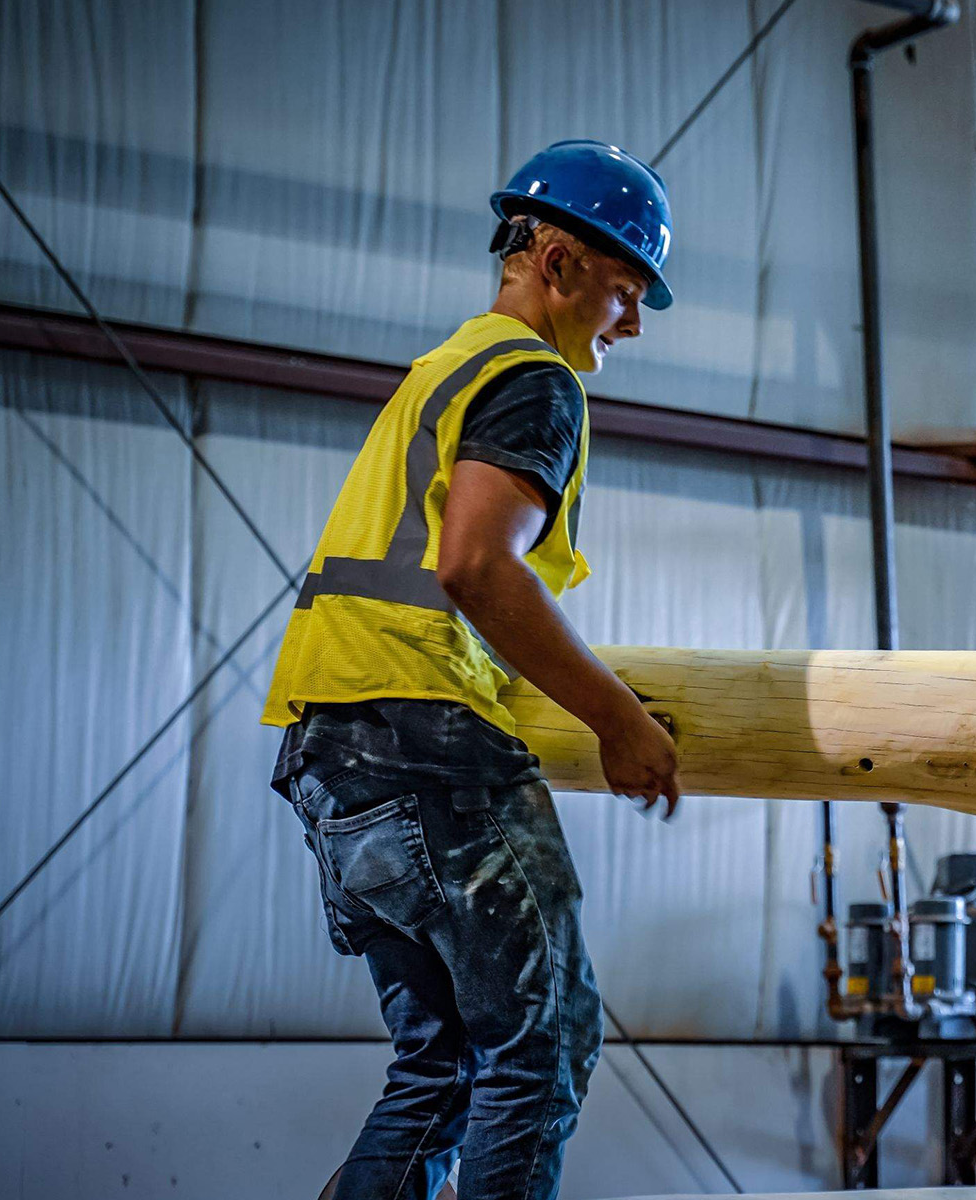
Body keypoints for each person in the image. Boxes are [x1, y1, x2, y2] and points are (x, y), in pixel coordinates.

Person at [261, 139, 685, 1200]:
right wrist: (618, 718)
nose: (630, 324)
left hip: (333, 749)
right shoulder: (532, 381)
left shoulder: (445, 366)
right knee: (539, 1054)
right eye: (625, 291)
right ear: (556, 263)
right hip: (424, 744)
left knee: (442, 1068)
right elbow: (475, 568)